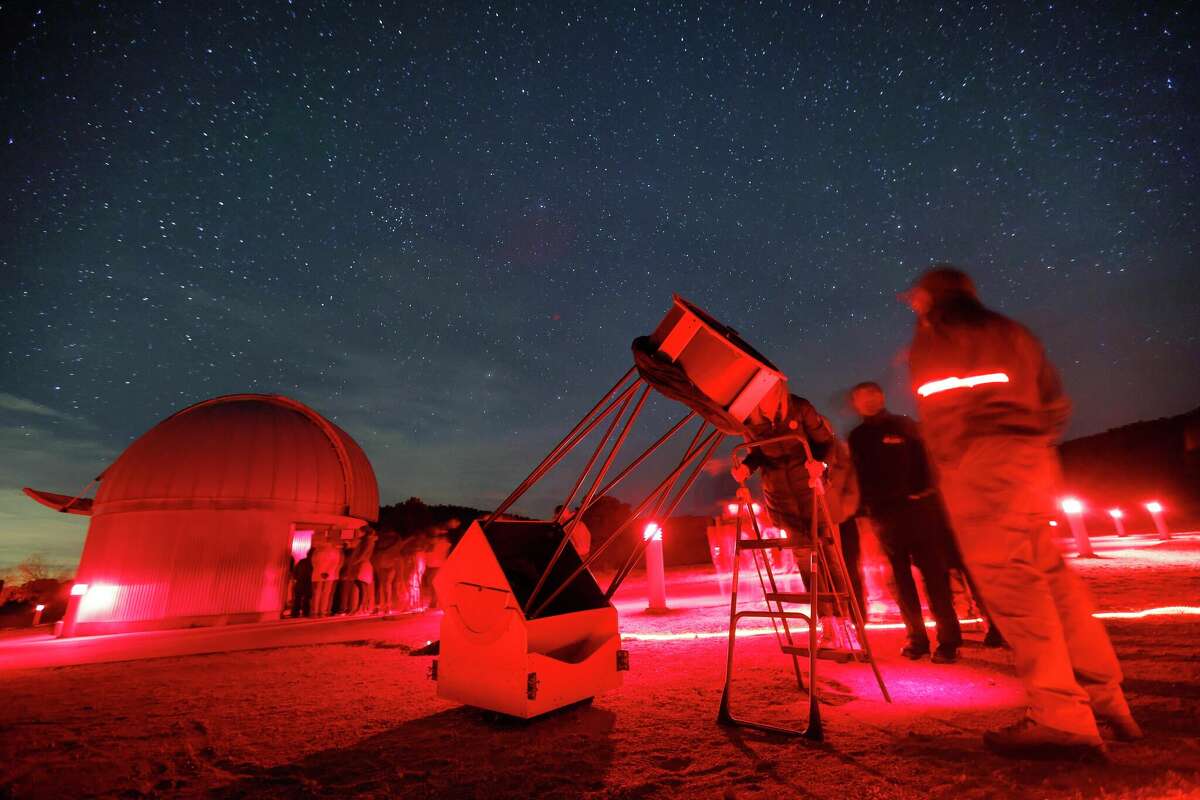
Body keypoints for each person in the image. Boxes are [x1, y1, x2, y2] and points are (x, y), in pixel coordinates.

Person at [905, 264, 1140, 757]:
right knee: (1055, 586)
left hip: (983, 471)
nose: (915, 307)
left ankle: (1060, 717)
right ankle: (1107, 699)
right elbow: (1056, 404)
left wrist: (956, 460)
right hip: (1032, 463)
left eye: (920, 300)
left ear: (933, 300)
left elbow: (939, 408)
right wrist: (1030, 441)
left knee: (1018, 594)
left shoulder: (940, 336)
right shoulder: (1013, 332)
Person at [848, 381, 962, 663]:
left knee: (935, 577)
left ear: (882, 397)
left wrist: (923, 491)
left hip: (919, 511)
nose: (869, 401)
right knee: (900, 581)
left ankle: (948, 641)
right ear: (856, 404)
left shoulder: (905, 425)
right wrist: (865, 509)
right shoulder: (857, 437)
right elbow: (859, 475)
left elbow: (927, 461)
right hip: (884, 517)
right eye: (863, 398)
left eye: (874, 395)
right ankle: (916, 638)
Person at [290, 549, 314, 618]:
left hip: (300, 582)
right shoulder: (313, 563)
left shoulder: (302, 561)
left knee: (297, 598)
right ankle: (305, 612)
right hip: (308, 582)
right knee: (306, 599)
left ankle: (295, 613)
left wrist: (296, 578)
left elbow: (295, 571)